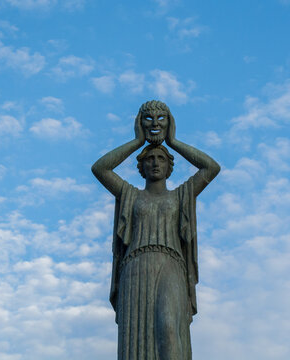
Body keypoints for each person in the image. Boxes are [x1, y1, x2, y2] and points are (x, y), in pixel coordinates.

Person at [91, 100, 220, 360]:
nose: (156, 163)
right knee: (135, 340)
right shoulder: (130, 195)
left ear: (170, 166)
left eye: (161, 158)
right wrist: (139, 140)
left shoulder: (181, 195)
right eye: (150, 159)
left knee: (170, 329)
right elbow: (100, 168)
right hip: (135, 269)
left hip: (171, 264)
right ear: (141, 167)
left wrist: (172, 140)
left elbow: (211, 168)